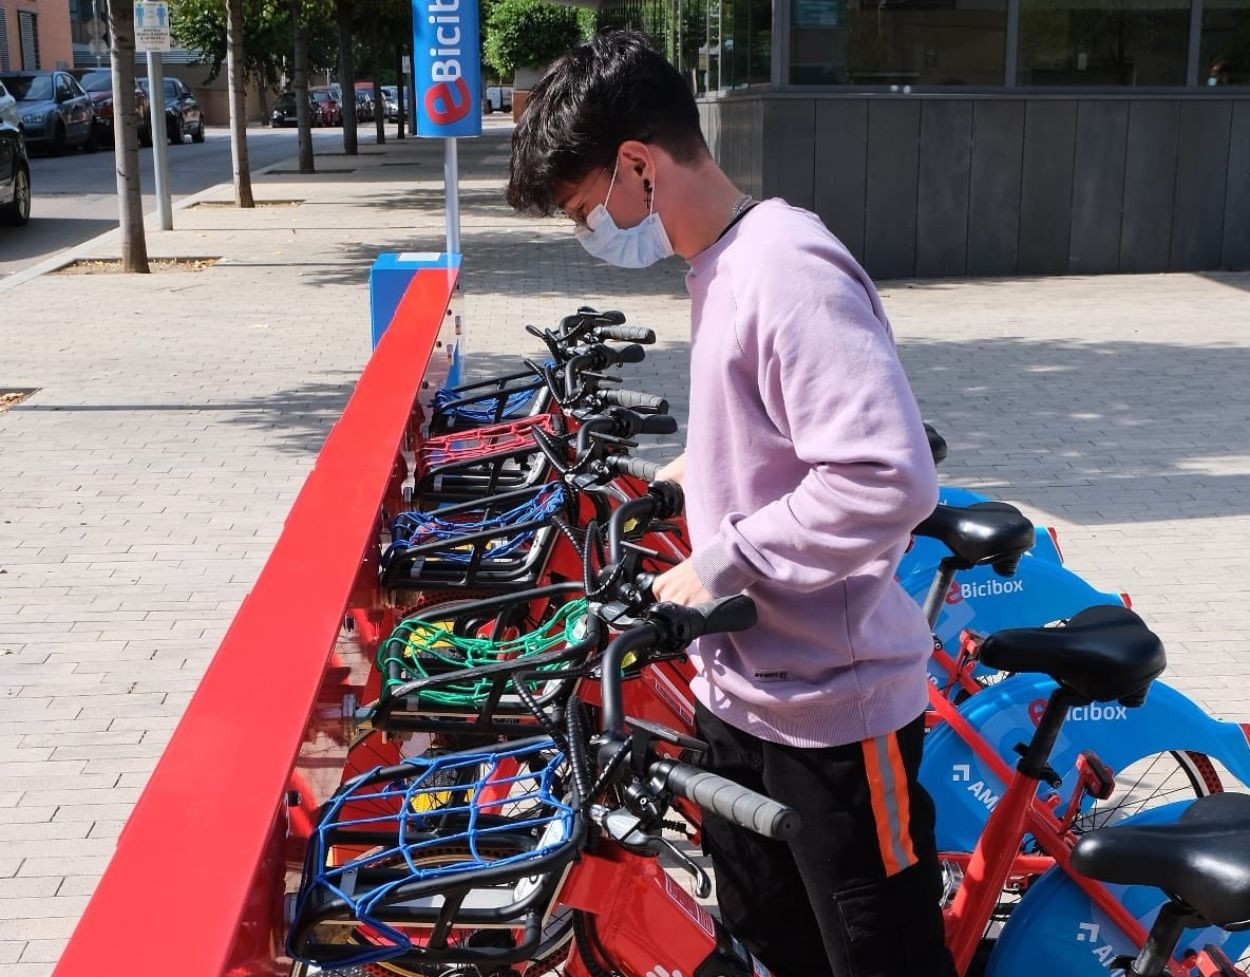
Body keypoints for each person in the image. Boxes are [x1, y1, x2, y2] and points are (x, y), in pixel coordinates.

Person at [506, 30, 954, 977]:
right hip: (741, 696)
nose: (592, 234)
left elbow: (887, 478)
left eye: (589, 208)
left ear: (638, 163)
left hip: (834, 717)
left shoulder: (786, 268)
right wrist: (689, 477)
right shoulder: (720, 266)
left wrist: (725, 556)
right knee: (767, 956)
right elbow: (774, 438)